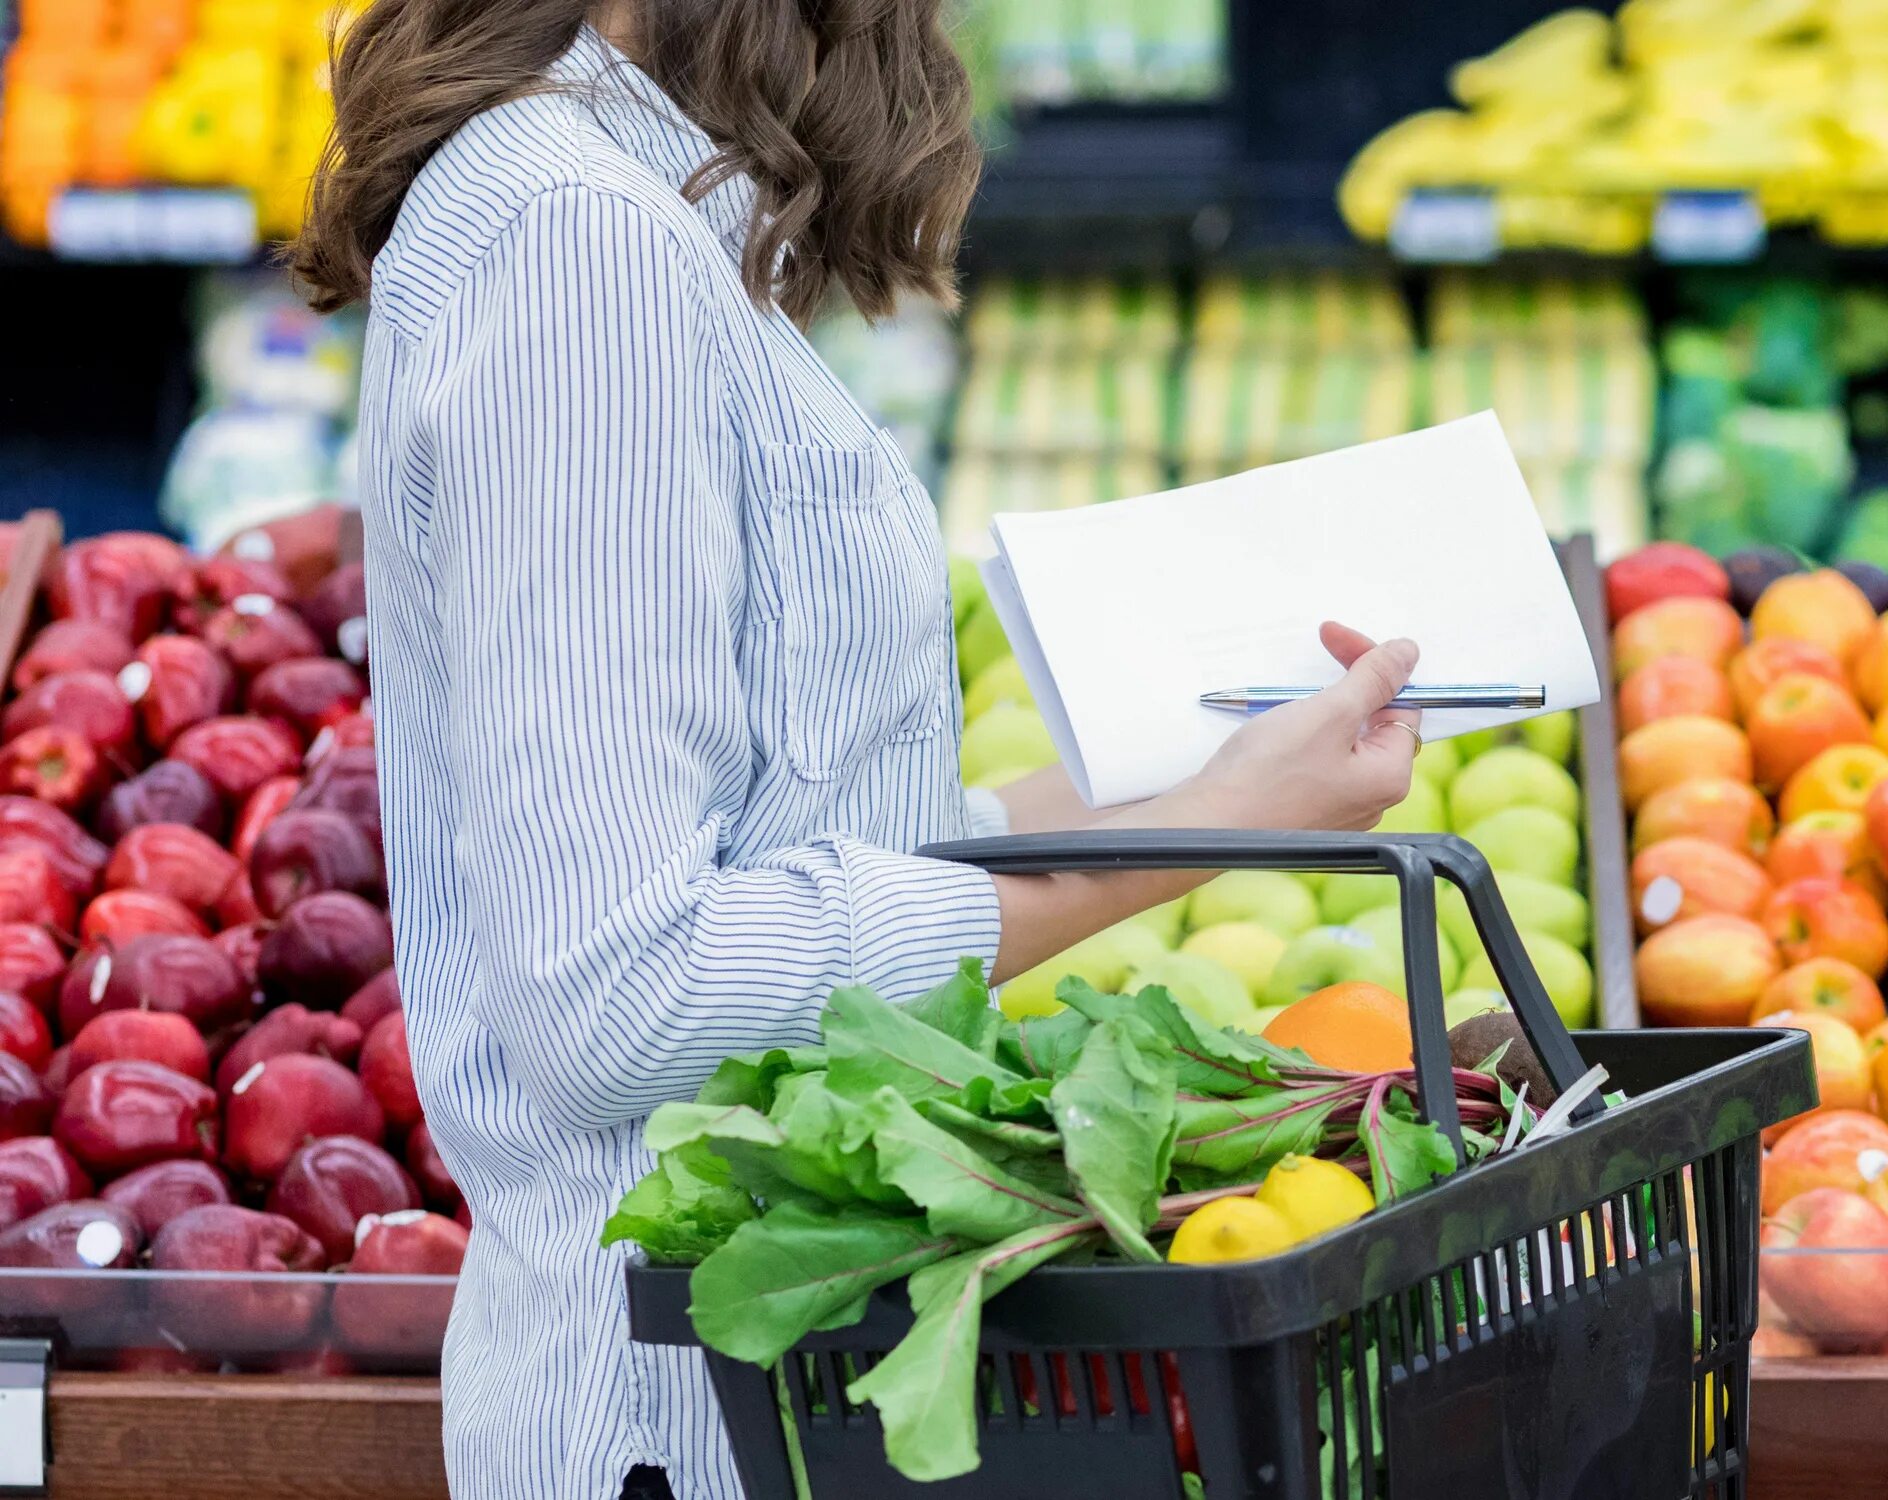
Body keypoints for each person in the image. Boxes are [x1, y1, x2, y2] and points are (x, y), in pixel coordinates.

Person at [287, 5, 1421, 1496]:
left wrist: (1211, 784)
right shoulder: (574, 239)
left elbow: (781, 840)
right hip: (682, 1429)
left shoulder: (634, 213)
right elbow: (620, 987)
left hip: (770, 1399)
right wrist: (1191, 836)